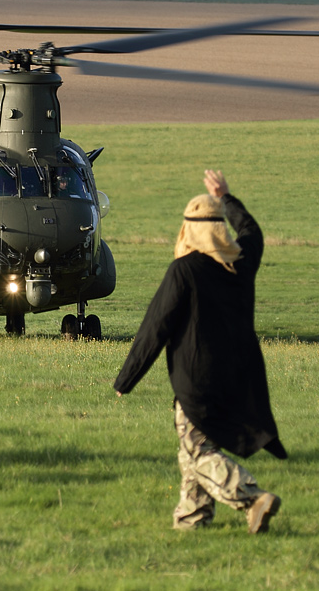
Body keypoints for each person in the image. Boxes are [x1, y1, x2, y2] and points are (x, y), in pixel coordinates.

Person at [113, 170, 286, 533]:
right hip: (239, 378)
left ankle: (252, 497)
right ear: (219, 229)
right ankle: (192, 520)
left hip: (198, 382)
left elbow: (154, 328)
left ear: (188, 230)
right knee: (191, 448)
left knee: (198, 450)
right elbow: (252, 231)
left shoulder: (184, 271)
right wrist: (226, 198)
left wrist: (126, 379)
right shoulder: (240, 264)